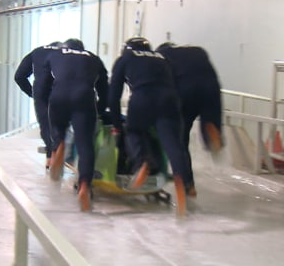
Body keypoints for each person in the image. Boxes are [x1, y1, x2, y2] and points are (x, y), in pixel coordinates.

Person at [108, 37, 191, 216]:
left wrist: (116, 124)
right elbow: (178, 84)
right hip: (170, 101)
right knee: (173, 145)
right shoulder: (163, 57)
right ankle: (181, 185)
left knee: (134, 131)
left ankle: (142, 162)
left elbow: (113, 95)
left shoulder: (126, 58)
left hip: (142, 98)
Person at [38, 38, 109, 211]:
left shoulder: (55, 54)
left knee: (57, 128)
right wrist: (98, 109)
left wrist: (48, 102)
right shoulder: (93, 58)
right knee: (85, 145)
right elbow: (105, 89)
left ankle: (58, 145)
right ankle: (84, 184)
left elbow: (43, 85)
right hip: (84, 98)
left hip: (59, 95)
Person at [156, 42, 224, 197]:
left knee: (180, 139)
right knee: (211, 113)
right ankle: (212, 130)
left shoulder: (162, 56)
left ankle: (188, 185)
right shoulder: (196, 50)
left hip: (184, 89)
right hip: (211, 86)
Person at [14, 42, 63, 169]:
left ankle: (50, 157)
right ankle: (59, 149)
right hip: (60, 90)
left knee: (45, 124)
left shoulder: (37, 52)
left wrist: (31, 93)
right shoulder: (65, 53)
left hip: (41, 90)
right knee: (60, 123)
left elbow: (19, 76)